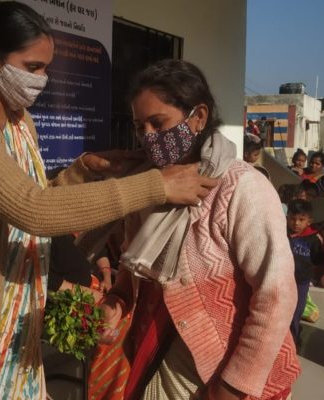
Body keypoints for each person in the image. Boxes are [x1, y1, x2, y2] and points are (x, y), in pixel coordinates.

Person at [0, 2, 218, 399]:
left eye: (46, 68)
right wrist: (153, 186)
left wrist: (85, 169)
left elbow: (37, 195)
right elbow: (31, 210)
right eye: (32, 67)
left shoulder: (18, 122)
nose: (41, 80)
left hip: (14, 319)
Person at [99, 59, 299, 400]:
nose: (148, 136)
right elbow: (132, 272)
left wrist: (235, 384)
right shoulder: (148, 187)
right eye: (139, 127)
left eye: (158, 122)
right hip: (156, 346)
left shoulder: (242, 188)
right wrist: (117, 302)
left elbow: (276, 293)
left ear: (199, 117)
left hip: (227, 367)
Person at [285, 199, 324, 345]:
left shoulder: (313, 239)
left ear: (309, 221)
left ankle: (293, 340)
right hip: (284, 279)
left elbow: (318, 259)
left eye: (301, 220)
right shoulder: (281, 233)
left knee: (296, 311)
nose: (296, 223)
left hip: (301, 282)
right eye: (292, 219)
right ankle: (284, 340)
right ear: (287, 217)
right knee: (283, 310)